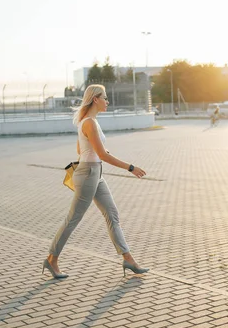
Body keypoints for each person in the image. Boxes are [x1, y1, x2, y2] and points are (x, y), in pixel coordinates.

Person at [43, 84, 149, 279]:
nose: (107, 101)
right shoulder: (89, 123)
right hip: (88, 174)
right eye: (105, 98)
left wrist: (100, 153)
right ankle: (51, 259)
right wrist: (130, 168)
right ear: (95, 99)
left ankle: (128, 259)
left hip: (95, 173)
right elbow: (100, 154)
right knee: (73, 219)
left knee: (112, 215)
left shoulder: (90, 122)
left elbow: (81, 150)